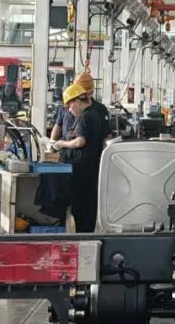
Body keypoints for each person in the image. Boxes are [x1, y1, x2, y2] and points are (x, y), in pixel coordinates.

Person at [53, 83, 109, 232]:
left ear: (77, 101)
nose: (69, 110)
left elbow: (80, 141)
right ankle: (86, 234)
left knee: (80, 207)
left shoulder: (83, 117)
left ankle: (82, 235)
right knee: (89, 207)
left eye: (70, 106)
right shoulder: (95, 114)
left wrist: (61, 144)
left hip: (81, 169)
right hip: (93, 168)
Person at [74, 71, 112, 143]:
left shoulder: (101, 109)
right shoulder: (69, 107)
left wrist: (106, 148)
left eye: (89, 93)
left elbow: (107, 135)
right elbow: (58, 126)